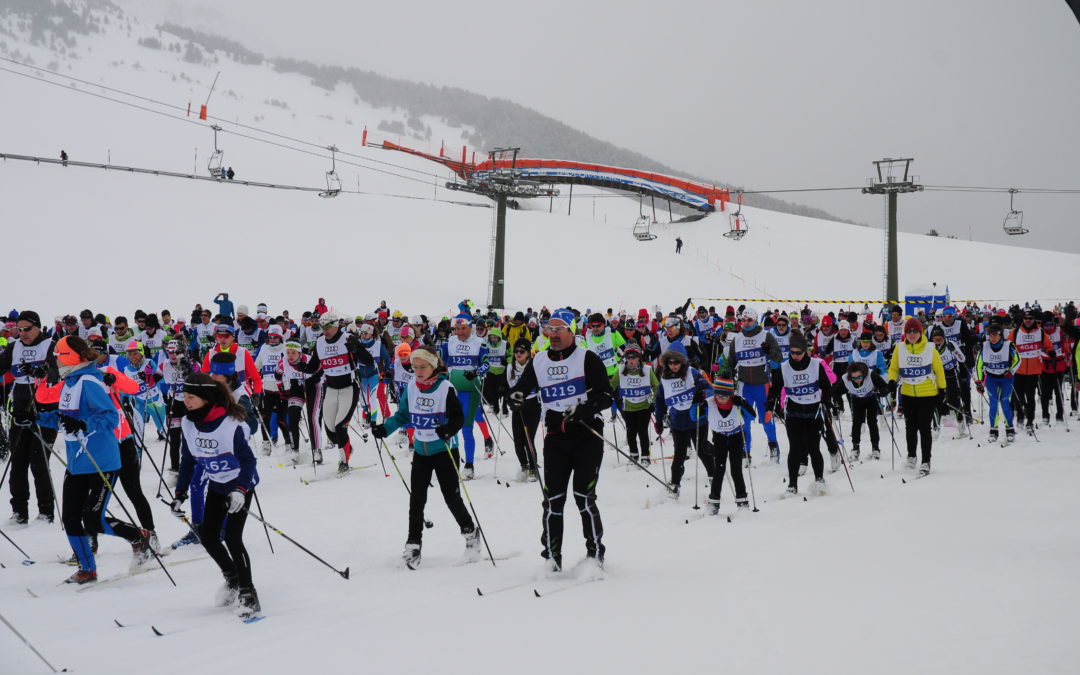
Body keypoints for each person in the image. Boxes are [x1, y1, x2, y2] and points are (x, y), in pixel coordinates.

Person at [37, 336, 152, 584]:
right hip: (77, 462)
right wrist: (36, 419)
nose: (56, 359)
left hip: (102, 461)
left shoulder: (89, 381)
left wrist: (83, 423)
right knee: (69, 518)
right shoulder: (69, 382)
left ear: (72, 357)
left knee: (93, 517)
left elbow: (110, 418)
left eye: (59, 354)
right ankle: (87, 569)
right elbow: (64, 418)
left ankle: (138, 538)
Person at [507, 308, 613, 571]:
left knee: (583, 496)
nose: (553, 334)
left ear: (571, 331)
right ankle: (552, 558)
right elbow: (522, 388)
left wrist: (585, 410)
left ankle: (595, 555)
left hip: (586, 436)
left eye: (559, 329)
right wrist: (515, 397)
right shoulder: (539, 360)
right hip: (555, 437)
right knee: (553, 500)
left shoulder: (586, 358)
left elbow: (607, 396)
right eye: (549, 329)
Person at [371, 347, 479, 567]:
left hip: (444, 450)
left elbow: (458, 418)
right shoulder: (411, 386)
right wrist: (385, 428)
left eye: (423, 367)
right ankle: (413, 544)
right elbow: (402, 415)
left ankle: (470, 533)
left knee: (451, 497)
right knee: (417, 499)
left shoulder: (446, 388)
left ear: (433, 366)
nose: (418, 371)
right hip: (421, 450)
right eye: (415, 367)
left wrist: (447, 430)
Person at [172, 373, 261, 619]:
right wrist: (180, 494)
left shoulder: (230, 424)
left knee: (233, 538)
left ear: (206, 398)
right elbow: (188, 460)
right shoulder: (189, 423)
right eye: (184, 396)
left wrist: (240, 490)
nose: (186, 401)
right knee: (208, 536)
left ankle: (248, 593)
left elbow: (248, 461)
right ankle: (232, 577)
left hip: (240, 485)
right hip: (218, 485)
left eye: (191, 397)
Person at [0, 310, 58, 525]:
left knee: (39, 464)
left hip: (45, 413)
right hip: (20, 412)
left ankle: (45, 512)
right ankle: (19, 512)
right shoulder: (14, 347)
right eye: (20, 329)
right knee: (17, 465)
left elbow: (56, 371)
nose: (22, 333)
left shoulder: (50, 345)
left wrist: (39, 370)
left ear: (37, 327)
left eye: (27, 329)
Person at [767, 331, 832, 496]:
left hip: (813, 413)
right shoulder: (783, 367)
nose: (795, 356)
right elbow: (775, 388)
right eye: (792, 352)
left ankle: (819, 481)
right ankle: (792, 484)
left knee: (813, 448)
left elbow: (826, 386)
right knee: (795, 449)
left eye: (799, 352)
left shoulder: (816, 365)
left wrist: (827, 400)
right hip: (794, 413)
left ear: (805, 351)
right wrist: (770, 401)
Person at [888, 318, 946, 476]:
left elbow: (939, 370)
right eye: (909, 331)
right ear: (905, 333)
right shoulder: (899, 348)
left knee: (924, 428)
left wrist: (942, 389)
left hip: (927, 393)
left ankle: (926, 461)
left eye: (915, 331)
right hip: (908, 393)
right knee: (910, 427)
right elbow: (893, 368)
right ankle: (912, 456)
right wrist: (892, 380)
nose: (912, 334)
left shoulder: (930, 348)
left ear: (920, 332)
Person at [654, 349, 714, 498]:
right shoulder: (665, 378)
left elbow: (708, 388)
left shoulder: (692, 373)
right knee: (679, 454)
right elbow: (660, 400)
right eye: (670, 363)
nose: (673, 366)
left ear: (682, 362)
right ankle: (675, 484)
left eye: (676, 362)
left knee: (701, 449)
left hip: (696, 418)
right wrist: (659, 419)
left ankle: (714, 477)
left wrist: (702, 395)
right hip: (678, 421)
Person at [724, 307, 782, 463]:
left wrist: (769, 351)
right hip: (744, 385)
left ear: (756, 320)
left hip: (762, 384)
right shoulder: (737, 339)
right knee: (744, 419)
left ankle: (773, 444)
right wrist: (727, 374)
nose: (746, 323)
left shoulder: (766, 336)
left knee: (766, 417)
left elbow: (779, 358)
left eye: (749, 320)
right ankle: (745, 450)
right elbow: (731, 361)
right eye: (743, 320)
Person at [439, 317, 492, 479]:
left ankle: (469, 465)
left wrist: (476, 372)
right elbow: (440, 362)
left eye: (463, 328)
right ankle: (451, 460)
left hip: (470, 389)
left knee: (467, 427)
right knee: (449, 426)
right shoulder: (450, 342)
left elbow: (486, 363)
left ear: (471, 328)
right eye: (457, 328)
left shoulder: (479, 342)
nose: (460, 332)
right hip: (452, 390)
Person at [704, 377, 755, 514]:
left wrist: (744, 404)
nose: (720, 398)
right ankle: (714, 503)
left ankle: (742, 502)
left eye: (725, 395)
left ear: (731, 395)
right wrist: (695, 404)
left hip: (736, 437)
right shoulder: (709, 403)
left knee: (736, 470)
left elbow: (752, 416)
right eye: (718, 394)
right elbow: (694, 417)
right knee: (718, 470)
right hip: (719, 438)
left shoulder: (736, 402)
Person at [830, 361, 888, 461]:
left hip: (871, 399)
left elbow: (884, 386)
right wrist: (835, 397)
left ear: (863, 374)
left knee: (872, 422)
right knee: (856, 423)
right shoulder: (846, 378)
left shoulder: (871, 374)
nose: (857, 380)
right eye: (854, 378)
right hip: (856, 400)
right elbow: (837, 390)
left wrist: (882, 392)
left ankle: (875, 448)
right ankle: (855, 448)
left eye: (859, 377)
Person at [611, 344, 658, 464]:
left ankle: (645, 456)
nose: (631, 360)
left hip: (644, 406)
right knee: (630, 432)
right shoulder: (621, 370)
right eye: (628, 357)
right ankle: (633, 454)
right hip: (629, 406)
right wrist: (607, 393)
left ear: (639, 358)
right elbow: (612, 384)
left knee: (642, 431)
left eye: (634, 357)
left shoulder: (647, 370)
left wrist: (654, 402)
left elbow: (657, 386)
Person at [975, 323, 1020, 443]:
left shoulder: (1009, 345)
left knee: (1005, 402)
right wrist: (979, 381)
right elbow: (978, 364)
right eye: (990, 335)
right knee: (993, 404)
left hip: (1006, 378)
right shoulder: (984, 346)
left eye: (995, 335)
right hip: (991, 378)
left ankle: (1009, 428)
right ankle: (993, 430)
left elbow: (1018, 360)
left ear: (1000, 334)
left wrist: (1011, 371)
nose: (992, 338)